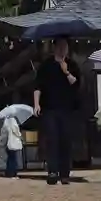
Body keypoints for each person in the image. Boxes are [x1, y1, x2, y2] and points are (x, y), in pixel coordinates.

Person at [32, 37, 80, 185]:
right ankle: (52, 171)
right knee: (52, 139)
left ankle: (65, 173)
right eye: (59, 46)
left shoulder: (72, 65)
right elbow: (37, 86)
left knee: (65, 140)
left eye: (64, 46)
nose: (62, 48)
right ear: (54, 47)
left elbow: (76, 84)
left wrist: (66, 72)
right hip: (49, 108)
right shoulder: (46, 66)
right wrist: (36, 104)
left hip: (67, 109)